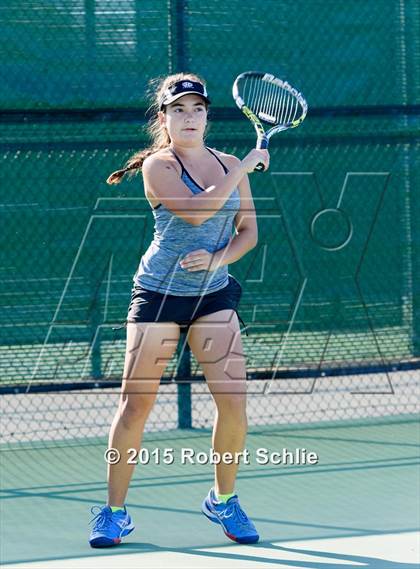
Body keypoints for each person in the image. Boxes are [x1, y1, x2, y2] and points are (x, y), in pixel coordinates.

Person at [89, 73, 269, 548]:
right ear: (164, 119)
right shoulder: (157, 166)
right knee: (135, 405)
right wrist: (244, 168)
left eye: (198, 109)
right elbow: (194, 211)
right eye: (179, 110)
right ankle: (114, 513)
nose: (190, 117)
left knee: (234, 403)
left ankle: (224, 500)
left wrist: (218, 258)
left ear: (208, 116)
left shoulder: (228, 162)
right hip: (159, 296)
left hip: (213, 293)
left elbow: (247, 231)